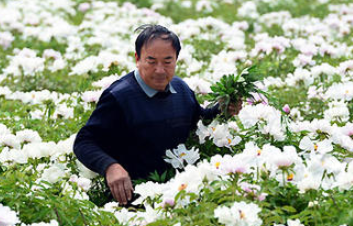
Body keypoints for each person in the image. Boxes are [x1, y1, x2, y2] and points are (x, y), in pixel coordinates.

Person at [74, 24, 239, 206]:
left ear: (176, 59)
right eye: (151, 61)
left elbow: (196, 120)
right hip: (134, 200)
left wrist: (222, 110)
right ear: (137, 59)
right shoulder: (119, 97)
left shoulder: (182, 90)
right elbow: (84, 141)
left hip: (179, 192)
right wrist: (110, 167)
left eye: (167, 62)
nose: (160, 70)